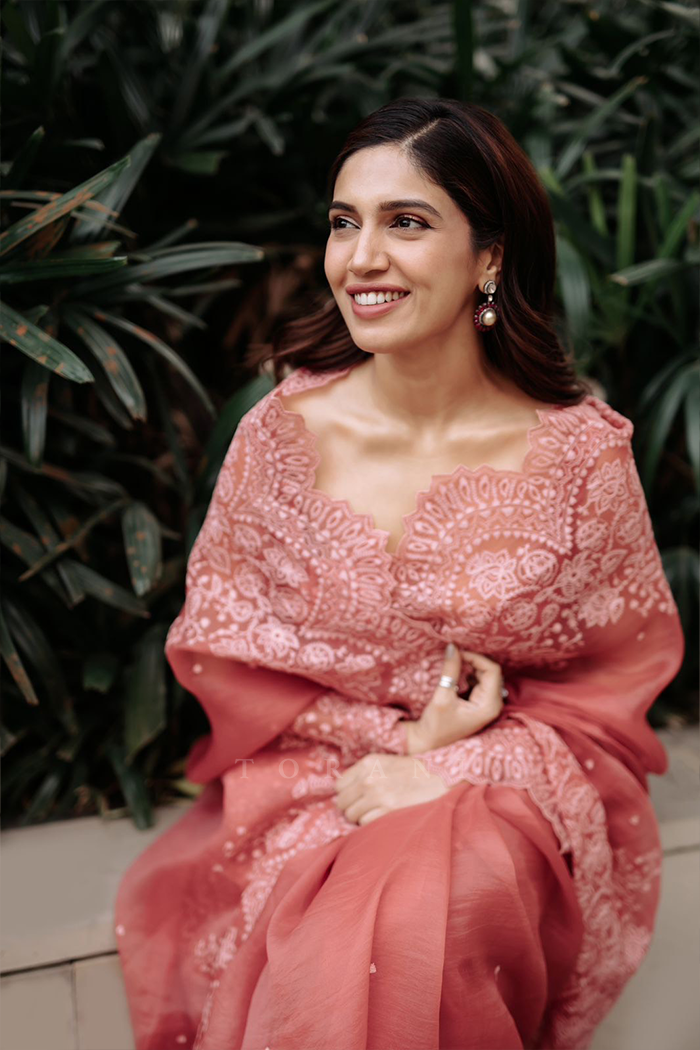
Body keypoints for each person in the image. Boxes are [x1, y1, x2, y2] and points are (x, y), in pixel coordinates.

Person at [114, 97, 685, 1050]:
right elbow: (225, 657)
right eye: (345, 222)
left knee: (442, 898)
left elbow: (609, 697)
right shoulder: (281, 436)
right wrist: (403, 743)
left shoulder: (582, 457)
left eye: (406, 222)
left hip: (506, 785)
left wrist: (453, 762)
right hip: (312, 784)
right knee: (363, 931)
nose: (361, 258)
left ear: (490, 256)